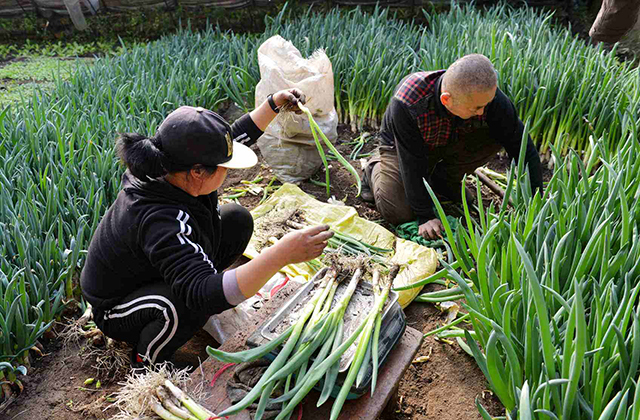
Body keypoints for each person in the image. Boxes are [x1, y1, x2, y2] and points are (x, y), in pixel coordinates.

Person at [80, 89, 334, 366]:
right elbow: (202, 295)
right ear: (198, 172)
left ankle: (193, 279)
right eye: (225, 167)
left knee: (236, 220)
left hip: (154, 269)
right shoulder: (159, 218)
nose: (230, 171)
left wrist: (273, 104)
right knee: (186, 306)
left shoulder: (169, 164)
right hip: (119, 306)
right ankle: (148, 361)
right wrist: (282, 254)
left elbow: (232, 139)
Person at [360, 54, 543, 240]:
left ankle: (443, 181)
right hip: (400, 149)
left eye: (485, 105)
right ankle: (374, 169)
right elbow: (411, 161)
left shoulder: (488, 99)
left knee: (500, 134)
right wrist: (425, 215)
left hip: (447, 138)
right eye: (476, 108)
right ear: (446, 100)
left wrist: (535, 202)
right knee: (398, 212)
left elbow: (523, 148)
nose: (482, 111)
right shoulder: (408, 102)